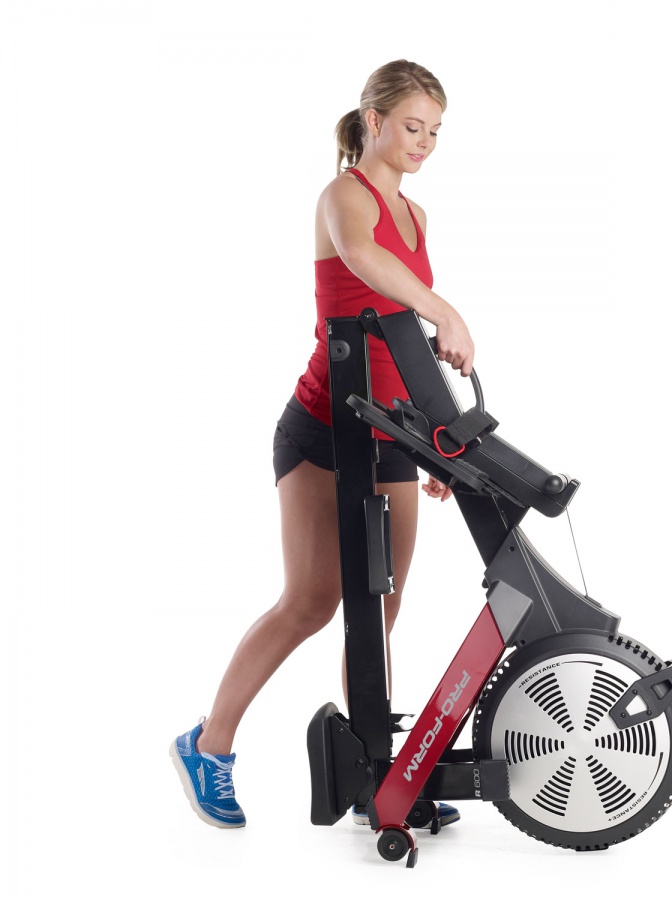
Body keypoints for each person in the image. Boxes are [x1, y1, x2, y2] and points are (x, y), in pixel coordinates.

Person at [170, 60, 474, 830]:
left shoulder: (418, 215)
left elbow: (398, 339)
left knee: (379, 614)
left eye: (435, 132)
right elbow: (365, 260)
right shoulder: (344, 196)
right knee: (312, 602)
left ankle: (380, 779)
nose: (424, 143)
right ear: (373, 120)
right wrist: (446, 308)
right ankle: (208, 744)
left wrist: (436, 444)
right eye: (412, 126)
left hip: (393, 429)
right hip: (324, 425)